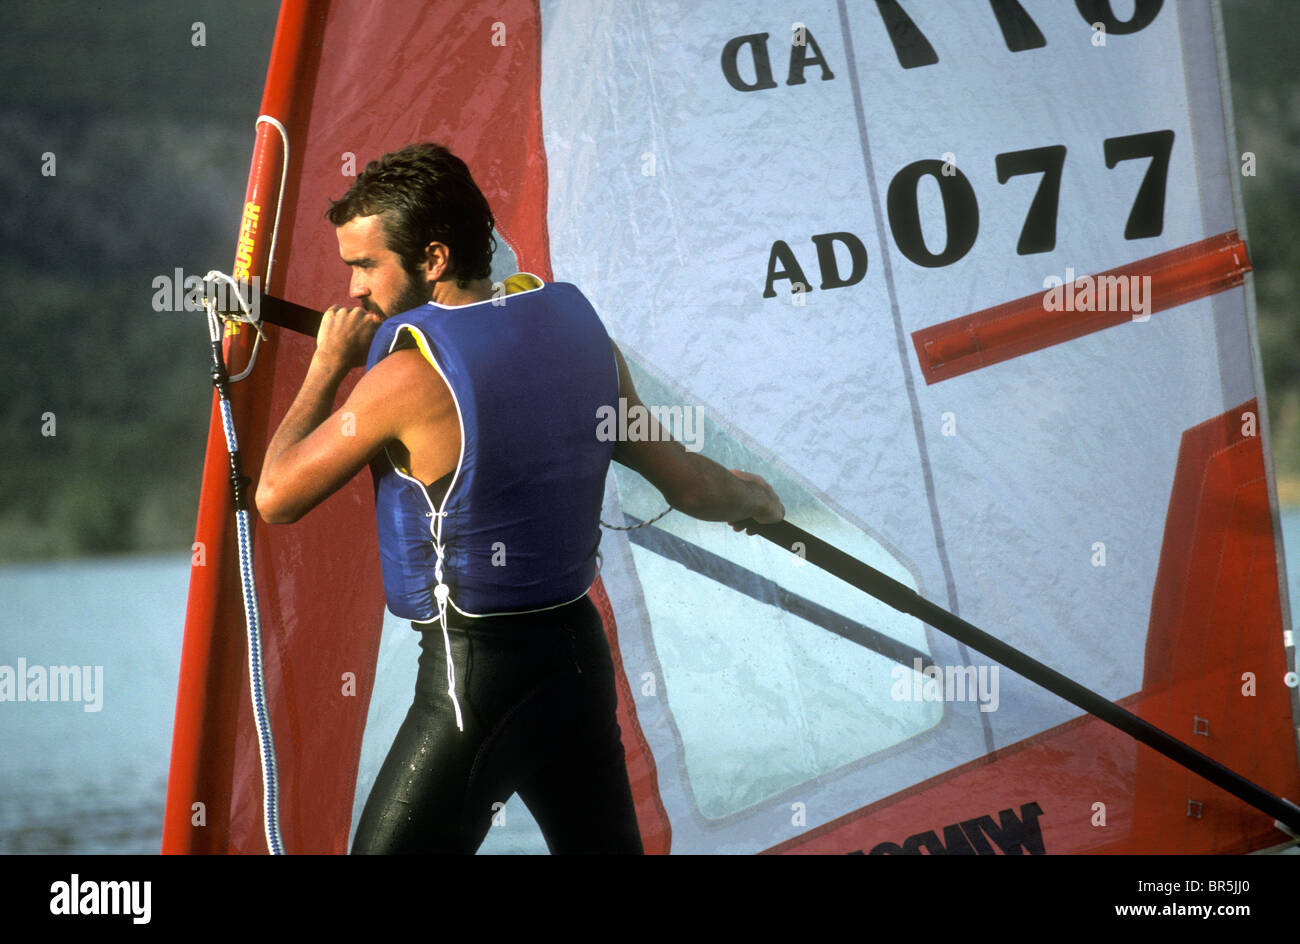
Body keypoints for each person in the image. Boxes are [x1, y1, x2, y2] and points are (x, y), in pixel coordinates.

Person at [254, 142, 785, 854]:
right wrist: (753, 500)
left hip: (476, 684)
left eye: (364, 265)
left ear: (434, 257)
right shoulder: (579, 332)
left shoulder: (406, 379)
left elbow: (276, 496)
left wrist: (324, 367)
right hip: (575, 665)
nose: (353, 290)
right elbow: (690, 484)